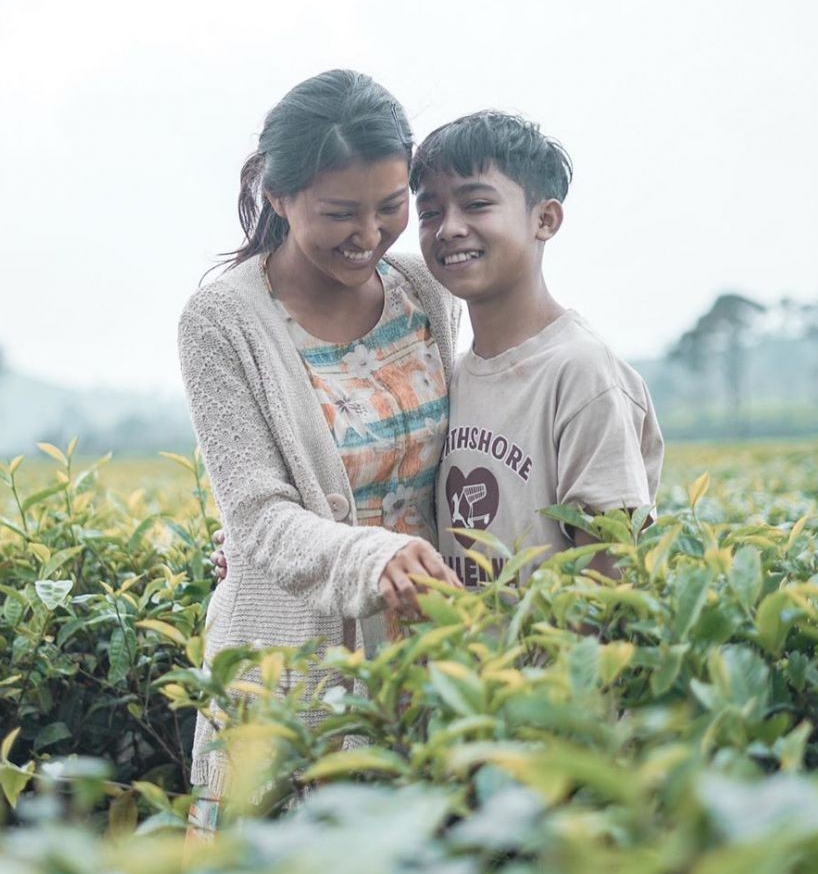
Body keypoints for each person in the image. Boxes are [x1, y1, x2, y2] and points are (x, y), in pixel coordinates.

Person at [177, 69, 462, 824]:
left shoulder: (421, 291)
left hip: (419, 660)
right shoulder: (221, 320)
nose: (368, 235)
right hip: (286, 668)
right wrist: (371, 557)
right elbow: (258, 515)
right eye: (340, 213)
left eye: (391, 207)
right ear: (278, 196)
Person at [410, 110, 664, 585]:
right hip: (456, 658)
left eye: (477, 204)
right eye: (430, 213)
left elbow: (609, 570)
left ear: (544, 219)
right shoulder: (452, 375)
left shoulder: (582, 372)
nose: (449, 228)